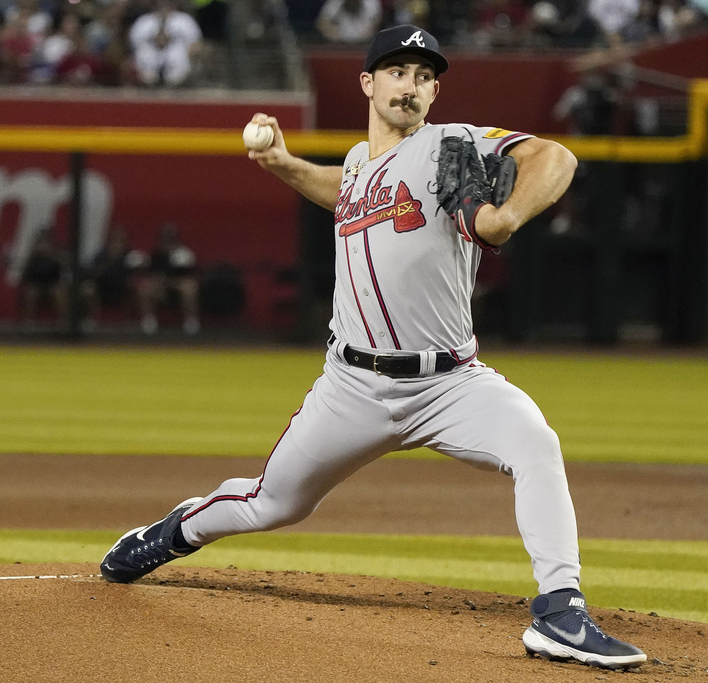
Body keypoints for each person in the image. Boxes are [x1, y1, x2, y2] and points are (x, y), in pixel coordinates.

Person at [99, 24, 647, 671]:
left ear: (435, 91)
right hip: (351, 387)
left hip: (450, 382)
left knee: (535, 441)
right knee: (273, 501)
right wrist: (283, 165)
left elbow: (556, 158)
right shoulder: (361, 163)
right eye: (396, 70)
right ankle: (171, 533)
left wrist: (505, 216)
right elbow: (346, 191)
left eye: (423, 76)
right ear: (368, 82)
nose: (409, 84)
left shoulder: (449, 143)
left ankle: (560, 610)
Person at [136, 223, 200, 335]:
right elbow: (153, 274)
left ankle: (190, 320)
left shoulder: (184, 254)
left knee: (189, 287)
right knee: (145, 288)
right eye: (165, 238)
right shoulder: (156, 254)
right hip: (161, 286)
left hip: (178, 285)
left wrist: (173, 282)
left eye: (170, 239)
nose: (167, 242)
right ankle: (149, 320)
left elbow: (190, 275)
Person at [128, 0, 202, 87]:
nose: (164, 4)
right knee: (143, 52)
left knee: (179, 51)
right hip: (150, 57)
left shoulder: (184, 20)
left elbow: (195, 43)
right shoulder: (144, 21)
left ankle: (173, 82)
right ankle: (150, 81)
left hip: (177, 58)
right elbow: (134, 44)